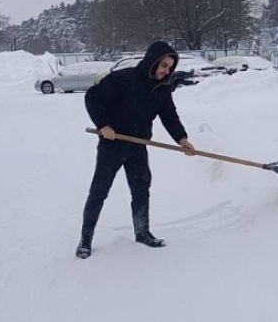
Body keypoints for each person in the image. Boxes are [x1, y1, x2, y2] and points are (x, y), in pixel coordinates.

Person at [76, 41, 196, 259]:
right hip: (112, 145)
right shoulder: (124, 78)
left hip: (139, 145)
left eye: (170, 67)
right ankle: (85, 239)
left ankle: (142, 232)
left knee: (141, 188)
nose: (166, 71)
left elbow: (169, 115)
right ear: (153, 61)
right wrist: (103, 125)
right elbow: (92, 96)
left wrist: (182, 138)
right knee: (99, 192)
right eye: (164, 66)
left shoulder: (162, 88)